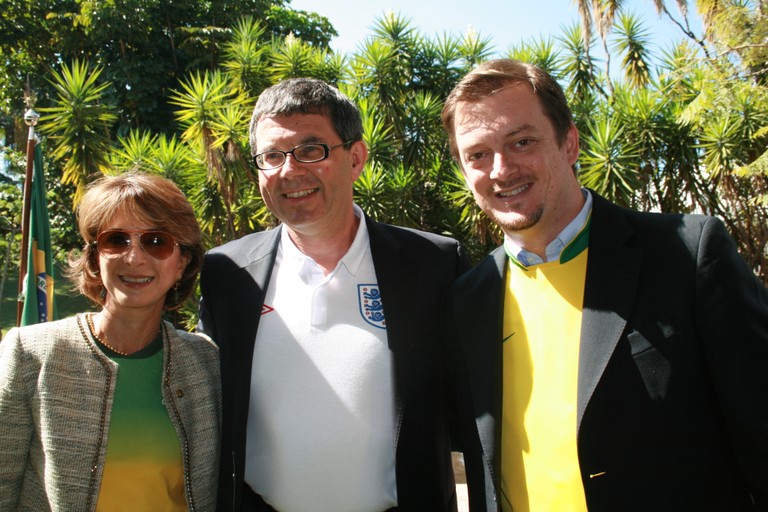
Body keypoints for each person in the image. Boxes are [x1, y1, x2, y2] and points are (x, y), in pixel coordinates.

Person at [440, 58, 768, 511]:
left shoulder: (686, 255)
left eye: (522, 141)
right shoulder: (468, 297)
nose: (500, 169)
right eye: (477, 153)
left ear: (569, 143)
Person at [198, 77, 470, 512]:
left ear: (356, 157)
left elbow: (475, 412)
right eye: (272, 156)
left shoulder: (433, 264)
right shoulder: (227, 273)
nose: (289, 171)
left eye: (311, 150)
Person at [0, 172, 221, 511]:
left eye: (157, 241)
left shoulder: (206, 363)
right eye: (116, 240)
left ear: (182, 264)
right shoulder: (32, 354)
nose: (134, 258)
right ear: (94, 258)